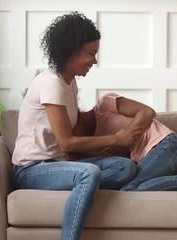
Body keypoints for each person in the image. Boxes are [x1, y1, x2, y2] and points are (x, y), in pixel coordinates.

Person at [12, 12, 138, 240]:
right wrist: (116, 139)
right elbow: (66, 142)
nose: (95, 61)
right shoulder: (51, 83)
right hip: (31, 169)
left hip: (59, 164)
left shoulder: (69, 84)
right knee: (88, 172)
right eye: (91, 53)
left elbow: (73, 139)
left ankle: (80, 185)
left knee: (125, 167)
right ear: (72, 50)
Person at [73, 92, 177, 193]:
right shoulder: (99, 142)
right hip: (151, 159)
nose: (77, 140)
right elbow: (127, 163)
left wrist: (124, 135)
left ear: (73, 115)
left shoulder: (104, 104)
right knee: (129, 189)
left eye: (72, 133)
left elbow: (147, 112)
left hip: (167, 145)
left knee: (130, 190)